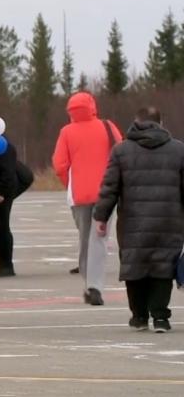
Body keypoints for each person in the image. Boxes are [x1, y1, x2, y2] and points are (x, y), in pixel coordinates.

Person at [93, 106, 184, 333]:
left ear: (136, 122)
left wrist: (100, 216)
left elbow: (110, 188)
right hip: (169, 219)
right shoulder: (178, 150)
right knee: (163, 267)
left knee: (134, 266)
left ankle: (139, 316)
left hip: (133, 221)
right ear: (161, 122)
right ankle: (161, 317)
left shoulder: (121, 151)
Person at [52, 91, 123, 305]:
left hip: (79, 195)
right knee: (99, 239)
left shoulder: (66, 132)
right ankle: (95, 285)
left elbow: (60, 165)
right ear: (92, 106)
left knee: (85, 238)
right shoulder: (108, 127)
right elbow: (121, 154)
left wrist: (70, 186)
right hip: (106, 193)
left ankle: (87, 280)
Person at [0, 135, 28, 277]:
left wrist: (0, 193)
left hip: (11, 182)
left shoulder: (0, 143)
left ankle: (6, 266)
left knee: (1, 221)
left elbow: (8, 172)